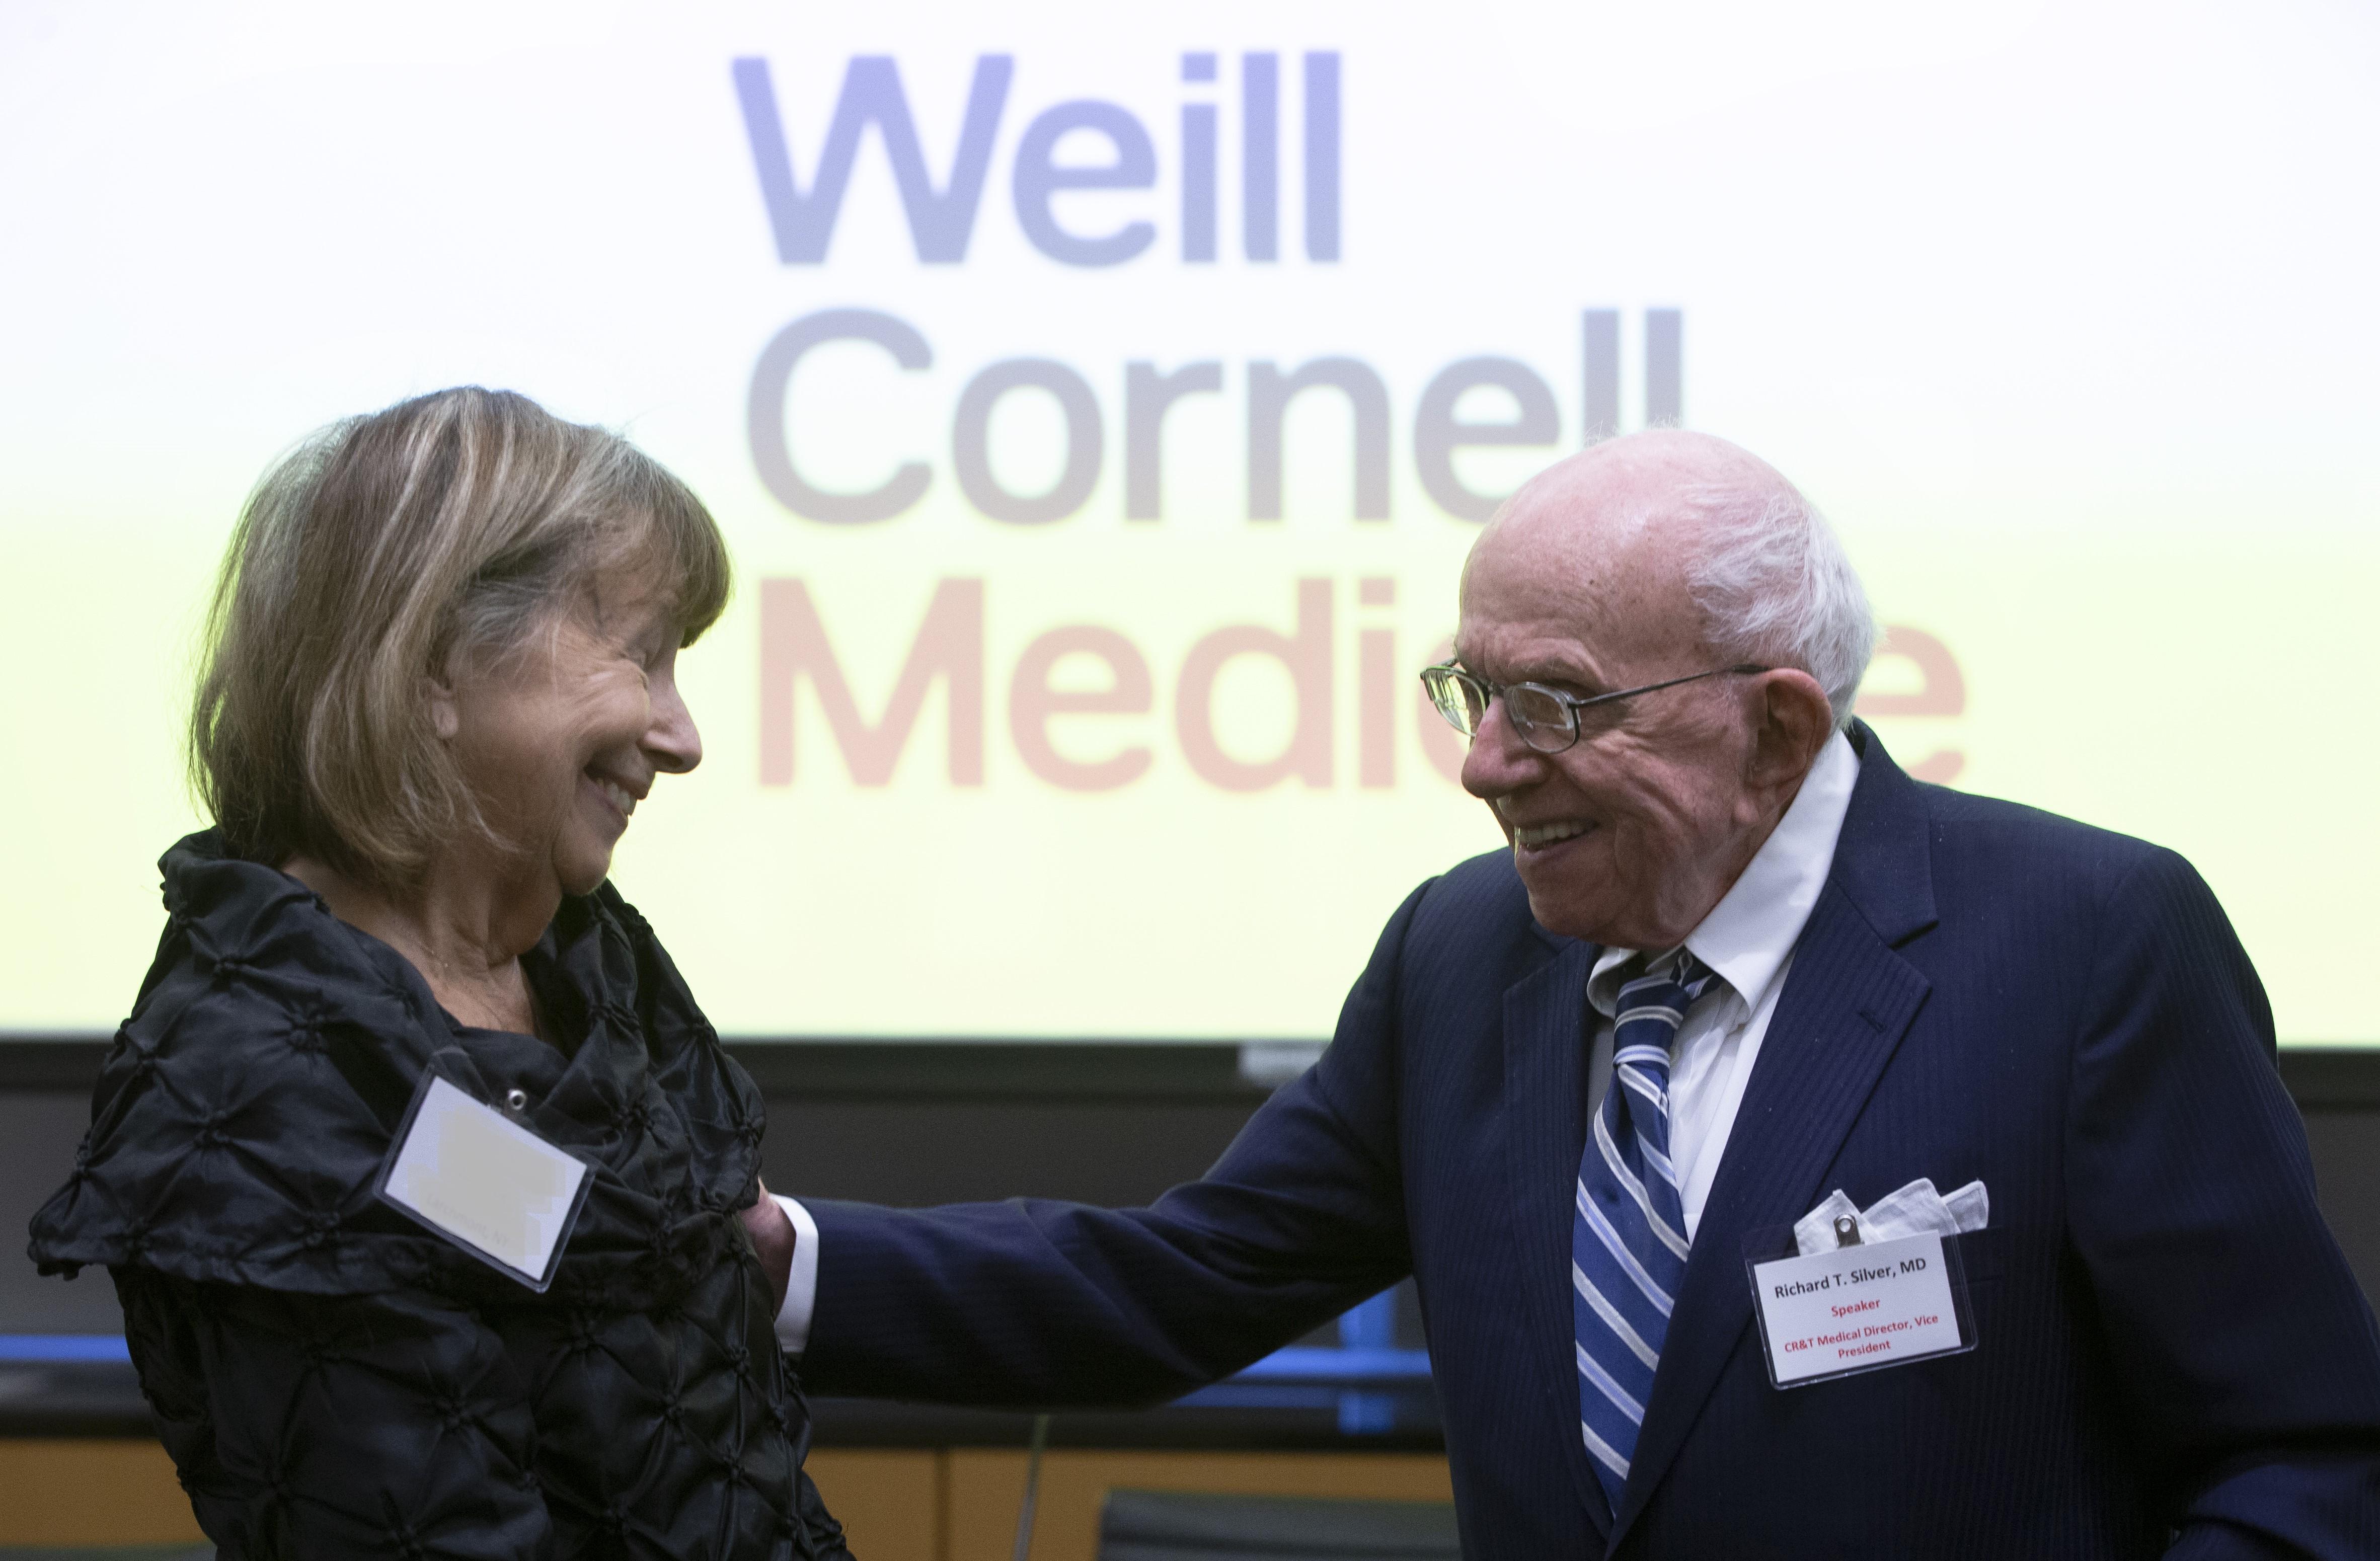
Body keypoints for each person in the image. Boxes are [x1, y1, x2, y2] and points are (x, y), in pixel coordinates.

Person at [769, 431, 2380, 1557]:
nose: (1481, 764)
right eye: (1474, 691)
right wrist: (776, 1265)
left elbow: (2300, 1457)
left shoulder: (2087, 941)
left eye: (1552, 702)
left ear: (1776, 725)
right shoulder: (1461, 957)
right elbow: (1176, 1280)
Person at [28, 388, 839, 1560]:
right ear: (433, 669)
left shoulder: (589, 969)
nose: (682, 736)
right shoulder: (265, 1088)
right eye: (644, 661)